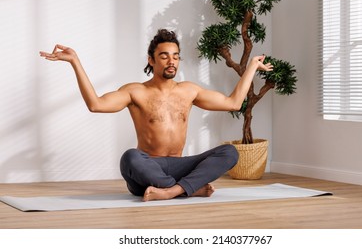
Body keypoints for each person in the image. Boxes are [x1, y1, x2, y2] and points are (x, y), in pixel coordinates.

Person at [39, 29, 273, 202]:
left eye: (176, 56)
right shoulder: (135, 91)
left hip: (180, 165)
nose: (171, 61)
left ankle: (172, 191)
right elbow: (96, 104)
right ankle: (190, 189)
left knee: (229, 152)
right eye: (164, 56)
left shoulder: (189, 90)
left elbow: (233, 103)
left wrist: (251, 67)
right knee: (129, 157)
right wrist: (75, 62)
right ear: (151, 60)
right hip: (147, 170)